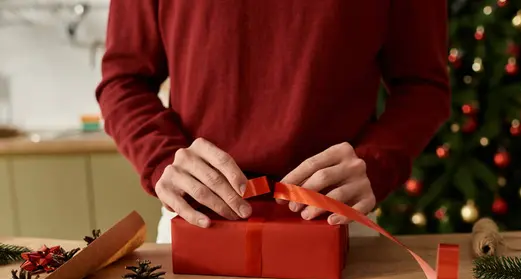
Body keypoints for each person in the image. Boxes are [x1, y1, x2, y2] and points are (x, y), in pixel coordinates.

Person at [96, 1, 450, 243]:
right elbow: (123, 81)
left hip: (336, 226)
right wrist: (160, 158)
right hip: (195, 226)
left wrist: (377, 162)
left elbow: (423, 86)